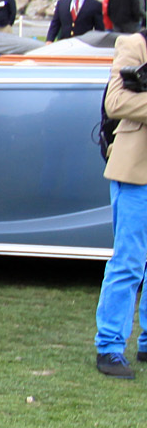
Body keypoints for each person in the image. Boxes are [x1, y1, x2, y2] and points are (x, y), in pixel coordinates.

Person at [92, 32, 147, 378]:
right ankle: (109, 346)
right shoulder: (134, 44)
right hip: (136, 169)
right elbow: (116, 102)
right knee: (129, 260)